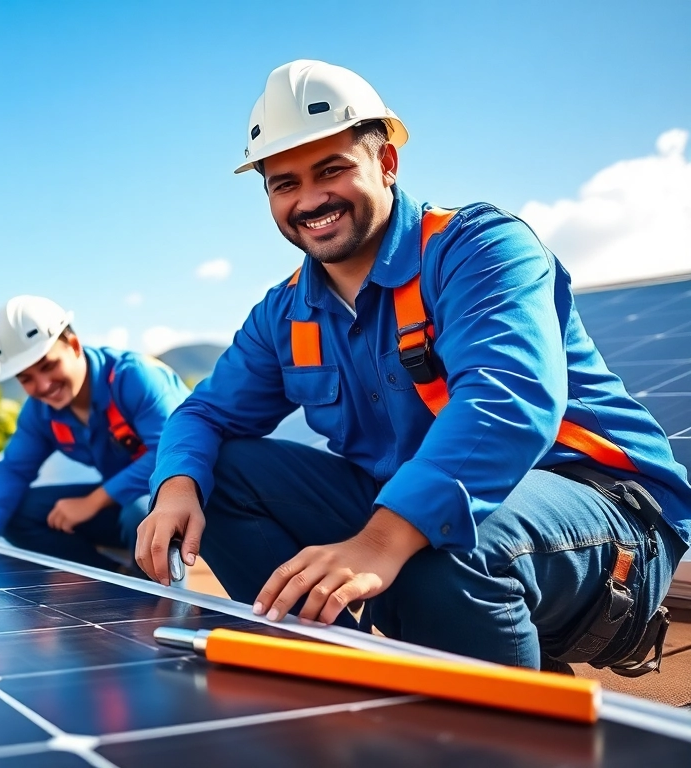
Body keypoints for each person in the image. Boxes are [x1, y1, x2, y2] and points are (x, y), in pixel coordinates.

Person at [136, 59, 690, 674]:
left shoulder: (479, 247)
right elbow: (204, 412)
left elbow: (507, 399)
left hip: (600, 504)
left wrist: (379, 543)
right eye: (284, 183)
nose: (310, 199)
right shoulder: (284, 314)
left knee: (446, 539)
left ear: (386, 164)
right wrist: (176, 486)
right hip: (409, 506)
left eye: (332, 170)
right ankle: (330, 672)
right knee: (225, 468)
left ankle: (501, 730)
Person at [0, 295, 191, 573]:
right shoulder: (40, 412)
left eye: (48, 365)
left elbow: (173, 454)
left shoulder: (135, 378)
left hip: (188, 496)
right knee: (16, 513)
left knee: (141, 513)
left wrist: (93, 501)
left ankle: (162, 596)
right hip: (127, 500)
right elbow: (14, 469)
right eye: (26, 378)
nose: (44, 385)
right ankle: (114, 580)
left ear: (74, 346)